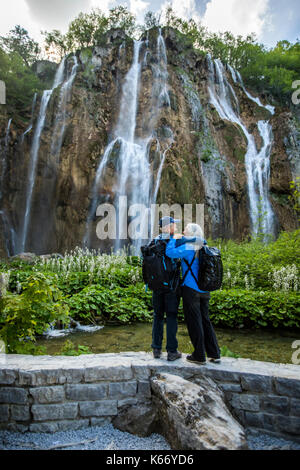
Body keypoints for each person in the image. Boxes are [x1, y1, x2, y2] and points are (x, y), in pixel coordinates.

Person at [166, 223, 221, 365]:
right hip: (205, 289)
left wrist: (173, 238)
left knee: (194, 322)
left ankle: (199, 355)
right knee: (205, 320)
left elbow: (170, 253)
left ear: (190, 233)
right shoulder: (203, 245)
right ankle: (214, 353)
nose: (183, 231)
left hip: (191, 289)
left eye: (185, 230)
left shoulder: (189, 247)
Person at [151, 216, 182, 361]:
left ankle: (156, 349)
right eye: (173, 225)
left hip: (156, 286)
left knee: (157, 316)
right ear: (168, 227)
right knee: (171, 316)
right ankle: (172, 351)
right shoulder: (174, 241)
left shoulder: (153, 241)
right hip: (171, 287)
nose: (175, 227)